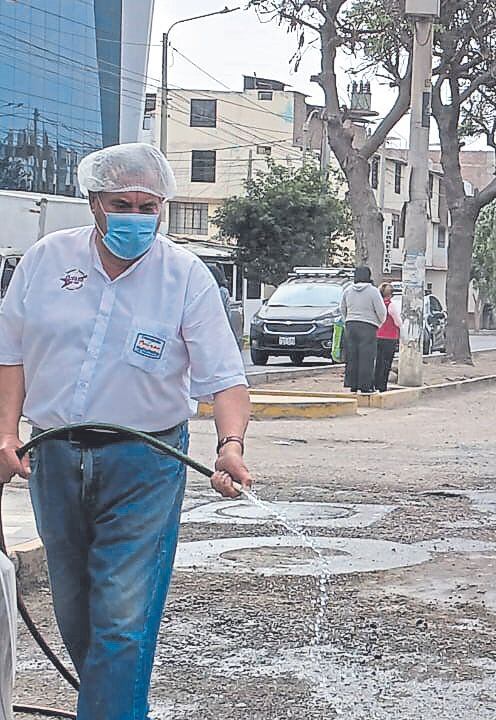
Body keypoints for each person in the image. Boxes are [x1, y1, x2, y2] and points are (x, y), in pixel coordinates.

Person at [0, 143, 252, 719]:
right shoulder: (46, 261)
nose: (136, 217)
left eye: (149, 207)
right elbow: (8, 353)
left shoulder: (186, 277)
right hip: (54, 455)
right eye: (122, 203)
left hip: (146, 460)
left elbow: (225, 378)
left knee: (121, 615)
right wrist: (5, 434)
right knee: (76, 609)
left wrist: (230, 445)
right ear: (94, 203)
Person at [340, 266, 386, 394]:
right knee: (367, 357)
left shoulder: (348, 290)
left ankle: (352, 384)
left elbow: (342, 308)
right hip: (368, 326)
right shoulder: (373, 291)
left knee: (352, 356)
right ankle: (366, 386)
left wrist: (347, 320)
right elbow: (381, 311)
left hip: (351, 325)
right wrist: (378, 323)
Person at [374, 282, 402, 392]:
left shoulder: (377, 305)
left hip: (378, 335)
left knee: (378, 362)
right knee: (386, 363)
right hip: (390, 337)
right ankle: (382, 385)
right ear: (390, 294)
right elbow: (397, 322)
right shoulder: (391, 305)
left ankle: (375, 384)